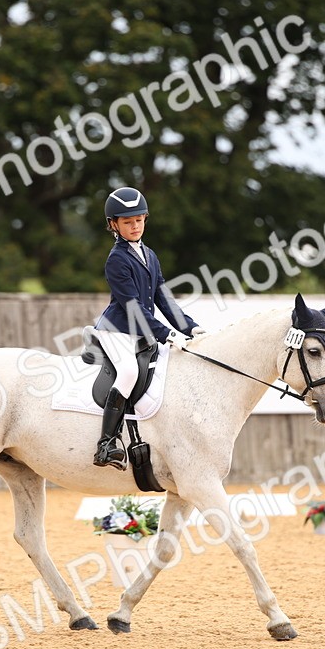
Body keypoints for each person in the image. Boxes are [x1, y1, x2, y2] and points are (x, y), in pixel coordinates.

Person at [91, 186, 206, 469]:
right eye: (128, 222)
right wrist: (167, 334)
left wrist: (191, 328)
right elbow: (133, 308)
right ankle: (106, 443)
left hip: (140, 331)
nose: (135, 226)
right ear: (113, 225)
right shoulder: (116, 259)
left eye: (139, 220)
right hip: (116, 330)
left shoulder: (149, 255)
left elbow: (163, 299)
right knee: (129, 371)